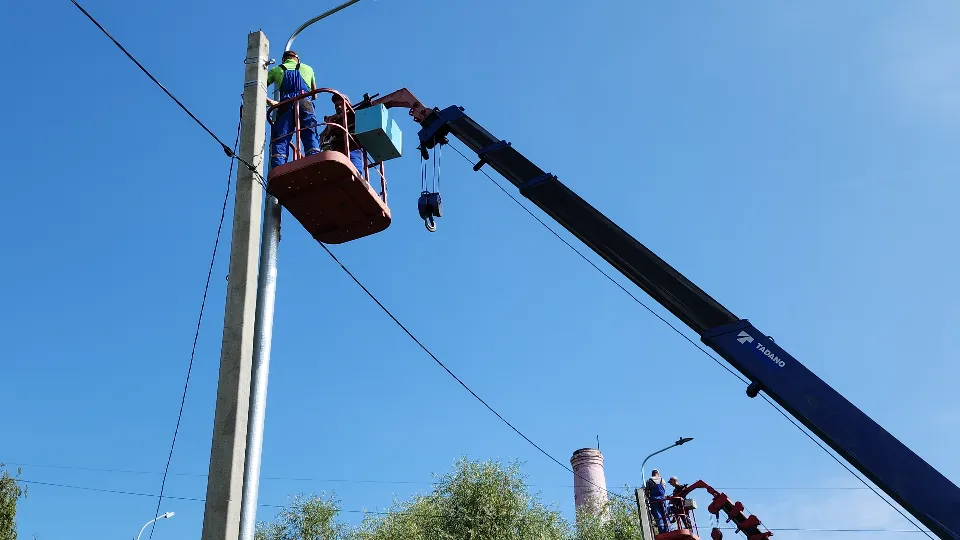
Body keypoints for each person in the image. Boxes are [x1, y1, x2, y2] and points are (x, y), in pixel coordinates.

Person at [266, 50, 320, 168]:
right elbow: (315, 95)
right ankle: (314, 160)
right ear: (297, 59)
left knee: (281, 136)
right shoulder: (308, 68)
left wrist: (268, 101)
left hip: (285, 104)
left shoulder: (276, 69)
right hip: (304, 101)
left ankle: (278, 166)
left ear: (284, 60)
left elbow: (262, 85)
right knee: (309, 131)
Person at [319, 92, 364, 173]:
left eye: (341, 104)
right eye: (336, 105)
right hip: (338, 152)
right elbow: (322, 136)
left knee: (355, 173)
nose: (338, 107)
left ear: (348, 105)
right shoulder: (333, 122)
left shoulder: (355, 115)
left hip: (353, 148)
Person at [645, 469, 669, 534]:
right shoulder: (663, 480)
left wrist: (649, 498)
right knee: (665, 515)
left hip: (654, 500)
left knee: (658, 515)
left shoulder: (649, 480)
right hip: (662, 500)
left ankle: (661, 531)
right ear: (658, 473)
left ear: (652, 474)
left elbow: (647, 492)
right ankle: (667, 530)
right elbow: (664, 490)